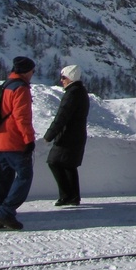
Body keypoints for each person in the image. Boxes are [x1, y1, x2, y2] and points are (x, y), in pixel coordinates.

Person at [0, 56, 37, 230]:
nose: (33, 74)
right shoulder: (21, 89)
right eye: (33, 70)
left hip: (0, 139)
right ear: (26, 71)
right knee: (24, 178)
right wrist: (29, 140)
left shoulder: (6, 85)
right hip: (15, 141)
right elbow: (22, 117)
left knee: (4, 180)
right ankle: (5, 213)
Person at [43, 65, 90, 207]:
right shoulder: (80, 91)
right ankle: (72, 196)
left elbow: (62, 116)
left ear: (70, 78)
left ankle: (67, 195)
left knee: (54, 162)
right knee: (68, 165)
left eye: (63, 77)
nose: (61, 80)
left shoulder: (72, 93)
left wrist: (49, 135)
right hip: (76, 135)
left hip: (68, 136)